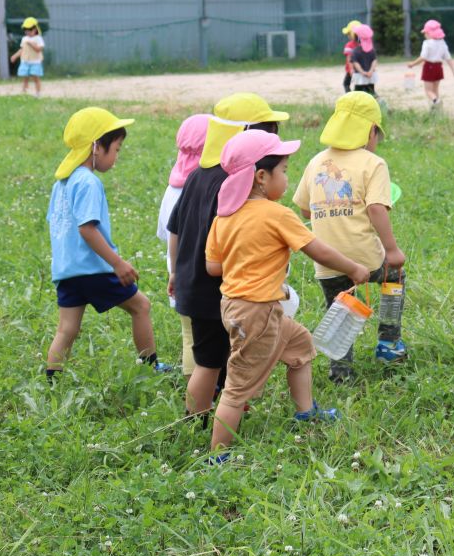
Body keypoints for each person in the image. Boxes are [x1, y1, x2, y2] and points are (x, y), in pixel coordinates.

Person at [205, 130, 370, 458]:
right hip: (259, 311)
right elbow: (318, 250)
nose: (287, 177)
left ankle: (305, 412)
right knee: (237, 389)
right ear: (261, 177)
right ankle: (217, 456)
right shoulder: (276, 214)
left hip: (235, 307)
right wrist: (353, 268)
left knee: (301, 345)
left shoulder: (223, 217)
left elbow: (213, 266)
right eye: (284, 171)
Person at [168, 93, 288, 424]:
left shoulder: (196, 176)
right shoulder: (233, 183)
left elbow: (176, 227)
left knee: (209, 358)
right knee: (215, 361)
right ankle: (213, 416)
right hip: (219, 288)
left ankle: (196, 419)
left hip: (192, 282)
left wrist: (176, 272)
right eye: (267, 132)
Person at [46, 107, 172, 380]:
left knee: (67, 329)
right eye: (116, 149)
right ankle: (151, 366)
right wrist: (117, 263)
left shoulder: (62, 183)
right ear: (95, 147)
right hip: (94, 269)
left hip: (66, 271)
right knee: (141, 306)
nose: (116, 156)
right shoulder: (88, 182)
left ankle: (51, 379)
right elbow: (87, 229)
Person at [293, 91, 407, 384]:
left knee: (339, 306)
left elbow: (305, 206)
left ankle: (341, 372)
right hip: (364, 257)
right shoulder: (373, 163)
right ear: (371, 131)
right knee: (394, 275)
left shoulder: (316, 161)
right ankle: (389, 344)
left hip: (326, 259)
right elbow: (377, 209)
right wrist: (391, 251)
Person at [156, 114, 210, 380]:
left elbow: (166, 233)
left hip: (178, 276)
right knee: (208, 340)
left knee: (189, 335)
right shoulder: (207, 185)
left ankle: (192, 390)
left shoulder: (172, 187)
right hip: (204, 278)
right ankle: (210, 391)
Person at [407, 19, 454, 109]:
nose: (425, 35)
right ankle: (438, 106)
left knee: (428, 90)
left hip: (429, 67)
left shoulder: (427, 43)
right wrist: (453, 71)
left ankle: (436, 101)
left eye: (425, 33)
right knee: (435, 89)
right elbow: (448, 58)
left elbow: (423, 57)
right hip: (439, 67)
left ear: (429, 33)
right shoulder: (442, 43)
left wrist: (412, 64)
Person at [10, 17, 45, 97]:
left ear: (35, 29)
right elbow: (22, 49)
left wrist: (31, 44)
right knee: (25, 77)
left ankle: (38, 93)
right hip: (25, 61)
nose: (28, 32)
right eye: (26, 30)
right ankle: (24, 92)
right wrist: (15, 56)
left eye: (30, 30)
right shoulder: (24, 39)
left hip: (35, 62)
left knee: (35, 77)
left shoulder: (38, 38)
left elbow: (39, 49)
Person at [350, 24, 379, 96]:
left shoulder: (356, 51)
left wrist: (363, 72)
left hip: (360, 76)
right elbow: (374, 61)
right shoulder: (372, 50)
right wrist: (371, 71)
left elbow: (355, 63)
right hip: (370, 75)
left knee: (357, 93)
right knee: (371, 92)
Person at [341, 19, 361, 93]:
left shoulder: (349, 45)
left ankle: (349, 96)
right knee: (359, 85)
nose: (348, 36)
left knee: (346, 84)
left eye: (349, 34)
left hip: (351, 70)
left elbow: (349, 59)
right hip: (361, 69)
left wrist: (350, 70)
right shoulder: (362, 45)